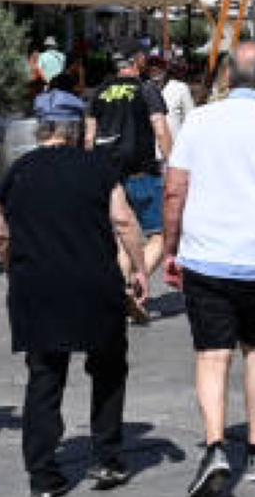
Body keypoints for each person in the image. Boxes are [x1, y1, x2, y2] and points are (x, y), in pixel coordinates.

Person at [163, 42, 255, 495]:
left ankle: (214, 445)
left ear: (227, 77)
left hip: (206, 254)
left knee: (212, 355)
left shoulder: (200, 121)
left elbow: (175, 190)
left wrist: (170, 249)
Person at [0, 117, 149, 496]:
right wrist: (140, 268)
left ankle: (43, 477)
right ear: (78, 135)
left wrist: (12, 268)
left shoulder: (17, 172)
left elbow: (0, 233)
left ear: (41, 134)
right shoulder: (98, 167)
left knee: (45, 377)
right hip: (93, 284)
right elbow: (123, 220)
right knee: (109, 366)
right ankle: (107, 458)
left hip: (37, 286)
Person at [87, 54, 173, 322]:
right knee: (162, 236)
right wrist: (174, 165)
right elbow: (160, 129)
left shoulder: (99, 92)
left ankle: (120, 293)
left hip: (107, 174)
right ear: (137, 63)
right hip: (142, 173)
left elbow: (90, 138)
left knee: (124, 239)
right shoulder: (147, 89)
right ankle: (136, 283)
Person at [149, 58, 197, 139]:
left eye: (159, 67)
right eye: (151, 68)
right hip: (151, 145)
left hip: (176, 142)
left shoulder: (180, 88)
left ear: (165, 69)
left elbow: (191, 116)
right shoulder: (144, 89)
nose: (155, 70)